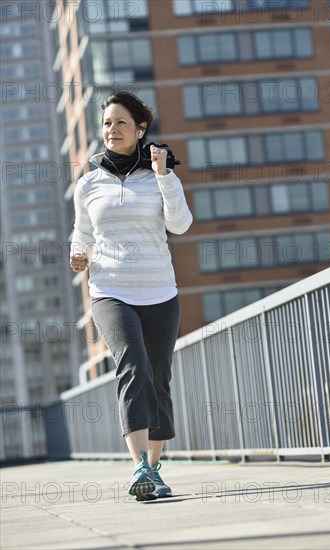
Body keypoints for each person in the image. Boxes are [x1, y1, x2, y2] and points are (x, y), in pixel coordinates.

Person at [69, 91, 193, 501]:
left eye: (121, 122)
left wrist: (163, 174)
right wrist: (78, 251)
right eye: (106, 123)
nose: (112, 130)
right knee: (132, 365)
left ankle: (154, 469)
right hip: (109, 289)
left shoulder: (160, 176)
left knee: (158, 378)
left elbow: (180, 226)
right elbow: (84, 231)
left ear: (140, 129)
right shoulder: (88, 182)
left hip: (159, 290)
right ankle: (139, 464)